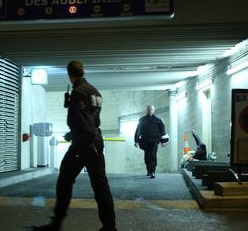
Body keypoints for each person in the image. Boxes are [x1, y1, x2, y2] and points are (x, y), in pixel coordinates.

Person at [33, 61, 117, 231]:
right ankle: (109, 227)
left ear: (69, 74)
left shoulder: (78, 92)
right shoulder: (95, 91)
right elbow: (92, 120)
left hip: (84, 143)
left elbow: (84, 122)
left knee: (64, 180)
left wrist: (78, 138)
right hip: (95, 140)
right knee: (101, 185)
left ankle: (56, 224)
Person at [134, 105, 169, 179]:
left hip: (155, 141)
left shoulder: (159, 119)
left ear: (154, 110)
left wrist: (163, 141)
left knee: (153, 155)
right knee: (147, 156)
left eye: (152, 109)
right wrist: (136, 141)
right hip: (145, 141)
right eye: (149, 109)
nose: (150, 111)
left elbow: (162, 131)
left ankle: (153, 171)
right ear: (147, 110)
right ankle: (149, 170)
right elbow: (138, 131)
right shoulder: (142, 120)